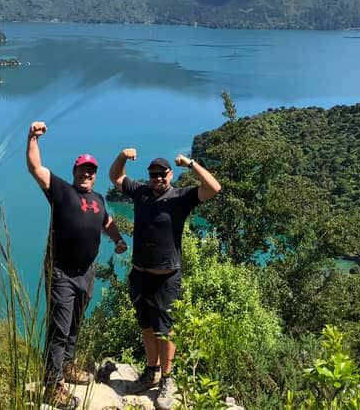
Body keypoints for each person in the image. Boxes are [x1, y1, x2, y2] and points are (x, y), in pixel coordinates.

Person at [109, 148, 221, 410]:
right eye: (153, 174)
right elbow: (115, 176)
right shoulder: (141, 192)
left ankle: (167, 380)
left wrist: (191, 163)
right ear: (148, 176)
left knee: (165, 330)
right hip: (140, 275)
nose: (158, 178)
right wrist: (123, 156)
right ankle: (150, 373)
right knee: (147, 327)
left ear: (170, 175)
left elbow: (214, 188)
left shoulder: (180, 197)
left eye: (162, 174)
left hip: (166, 278)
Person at [27, 121, 127, 409]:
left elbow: (106, 221)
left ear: (95, 176)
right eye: (82, 169)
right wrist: (32, 137)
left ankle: (68, 366)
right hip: (61, 271)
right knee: (59, 326)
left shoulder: (97, 199)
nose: (87, 173)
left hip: (87, 272)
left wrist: (118, 239)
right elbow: (35, 168)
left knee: (74, 323)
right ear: (74, 172)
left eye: (91, 170)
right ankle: (52, 383)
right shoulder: (60, 191)